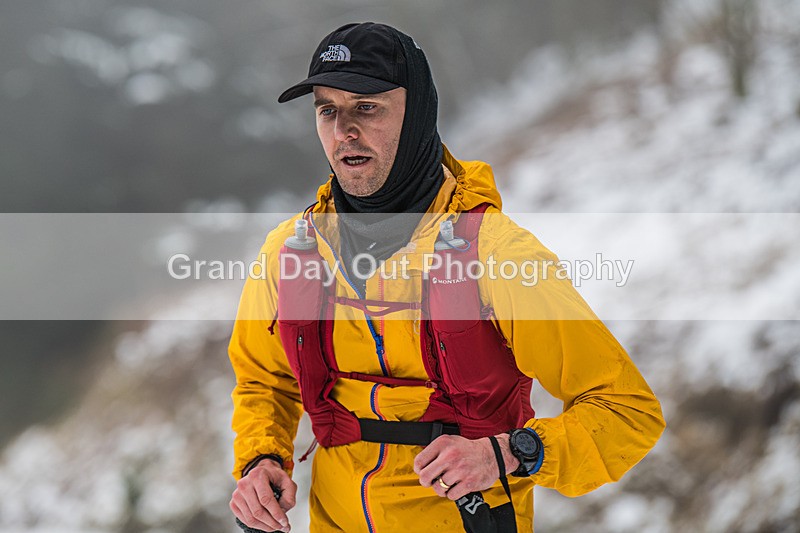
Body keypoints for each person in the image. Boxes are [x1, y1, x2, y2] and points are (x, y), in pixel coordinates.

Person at [229, 22, 665, 533]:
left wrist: (507, 454)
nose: (344, 130)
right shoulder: (290, 252)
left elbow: (627, 412)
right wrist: (262, 458)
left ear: (417, 114)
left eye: (367, 107)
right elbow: (263, 378)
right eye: (328, 109)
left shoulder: (496, 255)